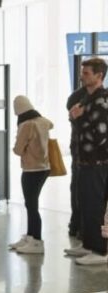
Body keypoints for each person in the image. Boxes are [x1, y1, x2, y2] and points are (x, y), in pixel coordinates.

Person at [65, 57, 108, 265]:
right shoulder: (86, 99)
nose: (82, 77)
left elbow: (101, 137)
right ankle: (89, 244)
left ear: (99, 76)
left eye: (86, 73)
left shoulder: (102, 101)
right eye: (82, 73)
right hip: (83, 162)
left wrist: (79, 119)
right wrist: (77, 118)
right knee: (84, 203)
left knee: (95, 205)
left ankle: (100, 251)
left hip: (97, 164)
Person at [8, 96, 52, 254]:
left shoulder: (26, 125)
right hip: (44, 168)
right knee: (32, 204)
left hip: (31, 170)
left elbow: (18, 150)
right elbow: (50, 124)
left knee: (31, 205)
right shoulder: (43, 121)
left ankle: (37, 241)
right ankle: (30, 236)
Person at [66, 85, 88, 238]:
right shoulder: (78, 99)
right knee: (78, 190)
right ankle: (78, 226)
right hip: (80, 154)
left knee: (81, 190)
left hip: (87, 155)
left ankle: (80, 227)